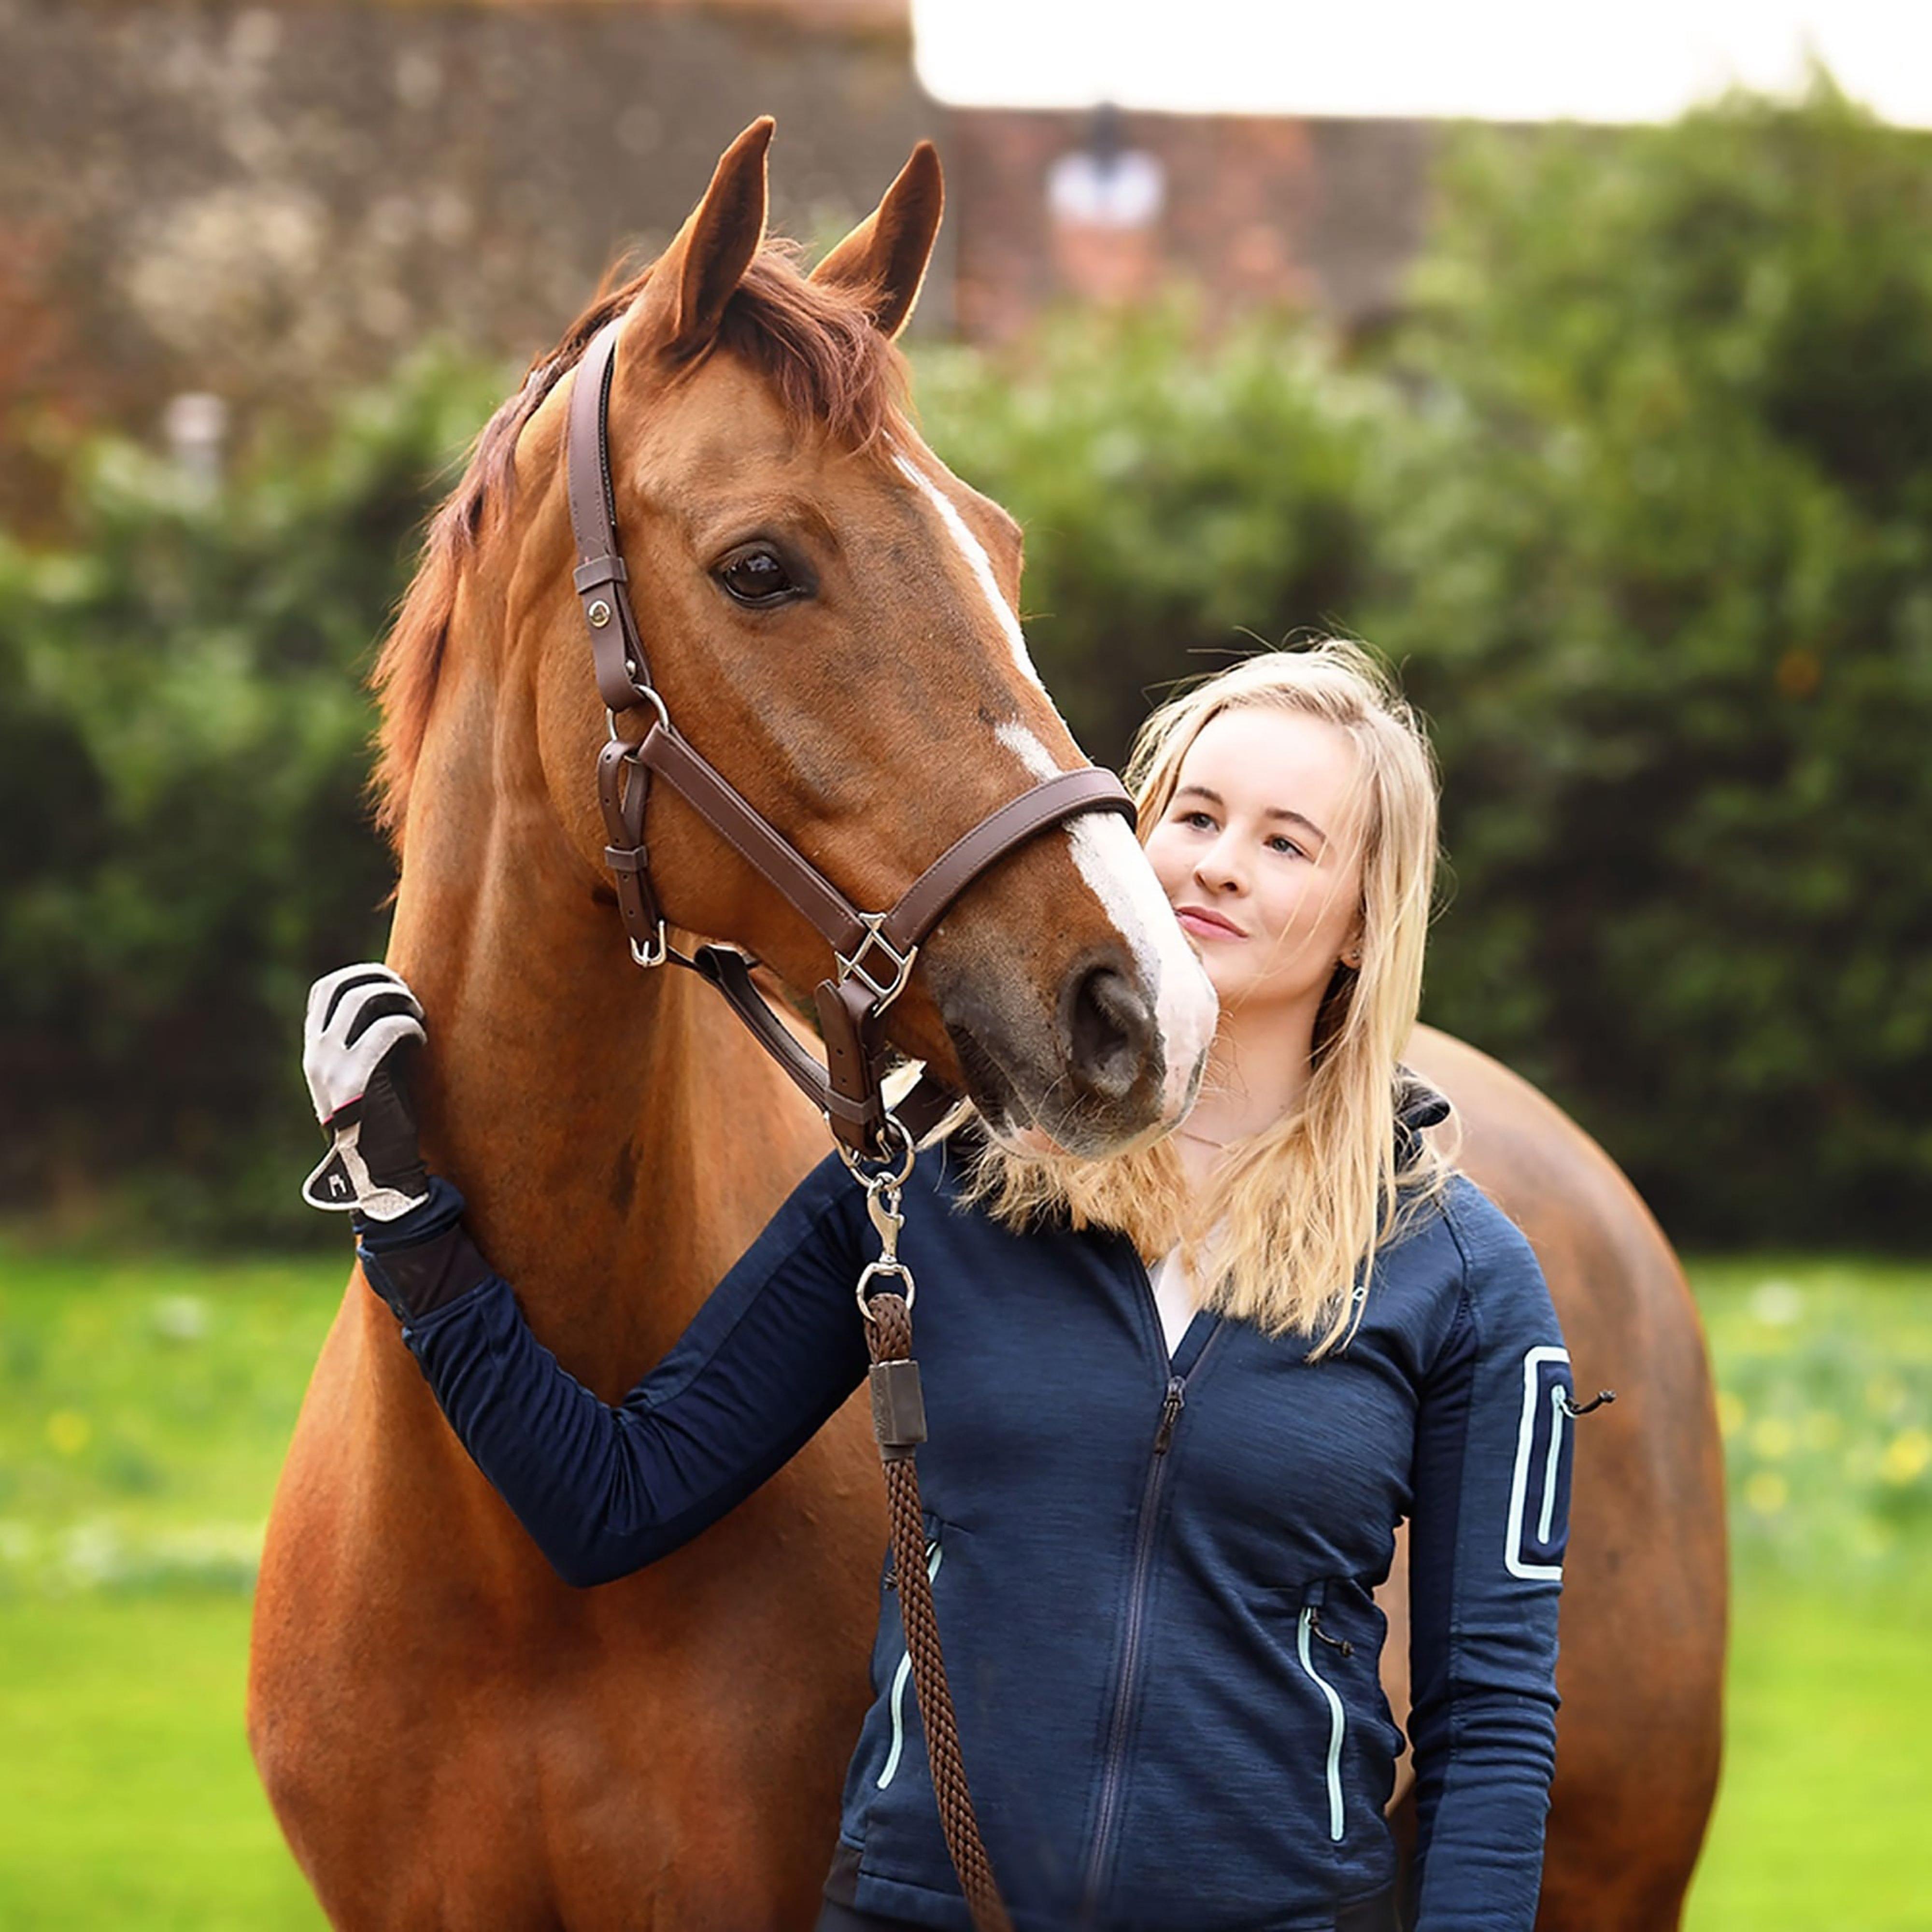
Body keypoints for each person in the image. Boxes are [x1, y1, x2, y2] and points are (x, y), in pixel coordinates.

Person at [300, 640, 1573, 1932]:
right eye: (1194, 815)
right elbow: (613, 1500)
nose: (1221, 862)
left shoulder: (1463, 1278)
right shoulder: (931, 1186)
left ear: (1366, 918)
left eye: (1289, 843)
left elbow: (1495, 1720)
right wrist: (413, 1231)